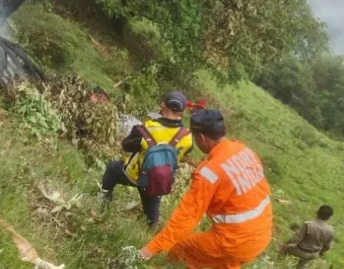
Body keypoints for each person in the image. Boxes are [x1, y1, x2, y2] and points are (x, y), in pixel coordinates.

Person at [139, 109, 273, 269]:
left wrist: (150, 249)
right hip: (262, 235)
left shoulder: (209, 174)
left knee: (181, 251)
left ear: (202, 138)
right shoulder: (244, 151)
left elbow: (185, 219)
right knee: (221, 261)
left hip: (234, 242)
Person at [101, 90, 194, 229]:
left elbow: (126, 146)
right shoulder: (187, 136)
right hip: (157, 182)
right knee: (151, 217)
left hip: (134, 175)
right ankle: (152, 224)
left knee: (112, 168)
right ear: (182, 112)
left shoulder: (147, 128)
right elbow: (184, 154)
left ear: (162, 105)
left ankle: (105, 197)